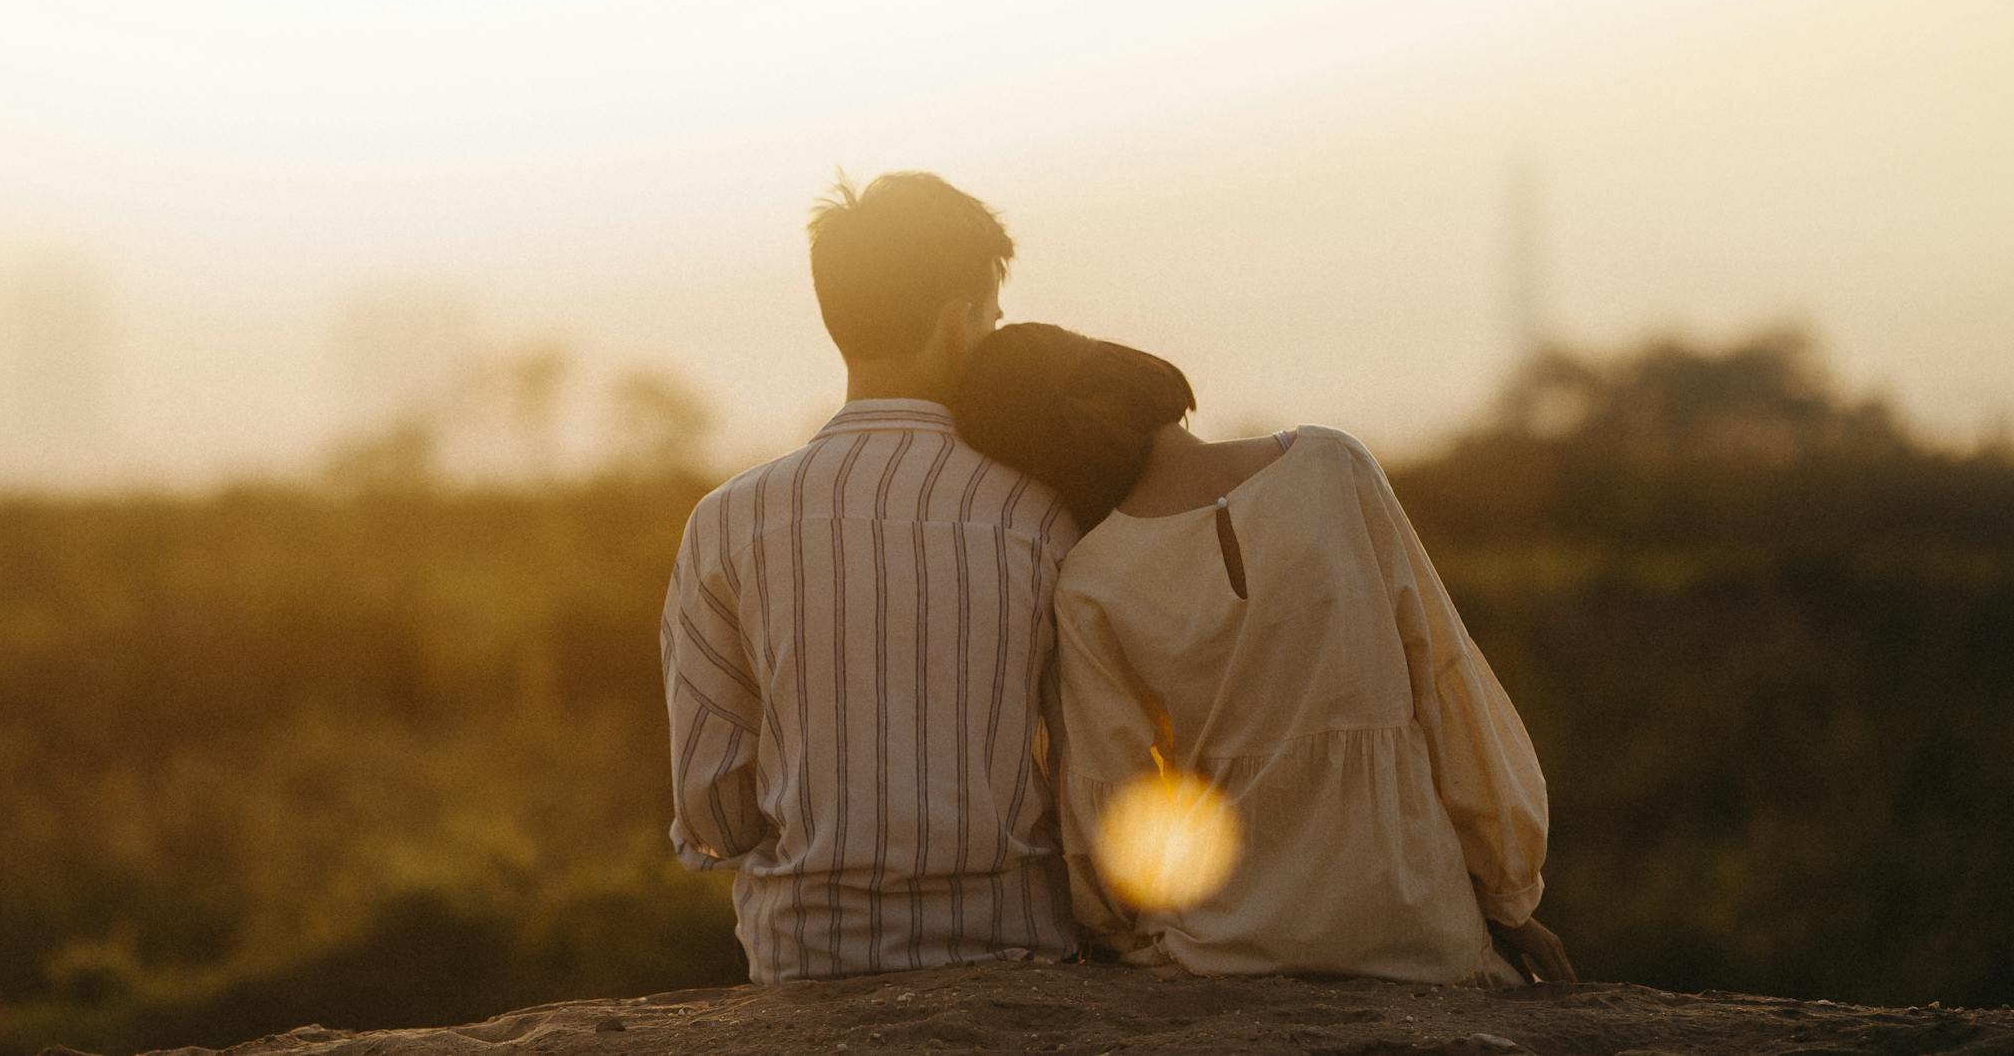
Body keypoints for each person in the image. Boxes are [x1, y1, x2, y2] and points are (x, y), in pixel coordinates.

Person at [948, 323, 1575, 987]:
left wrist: (1114, 930)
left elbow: (1112, 801)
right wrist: (1508, 894)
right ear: (1128, 369)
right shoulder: (1334, 465)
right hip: (1416, 928)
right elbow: (1446, 679)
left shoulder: (1090, 581)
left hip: (1221, 948)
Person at [662, 173, 1080, 982]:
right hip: (1017, 950)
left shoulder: (729, 519)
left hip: (811, 956)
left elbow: (710, 803)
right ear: (962, 319)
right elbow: (1091, 765)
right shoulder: (1043, 513)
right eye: (992, 317)